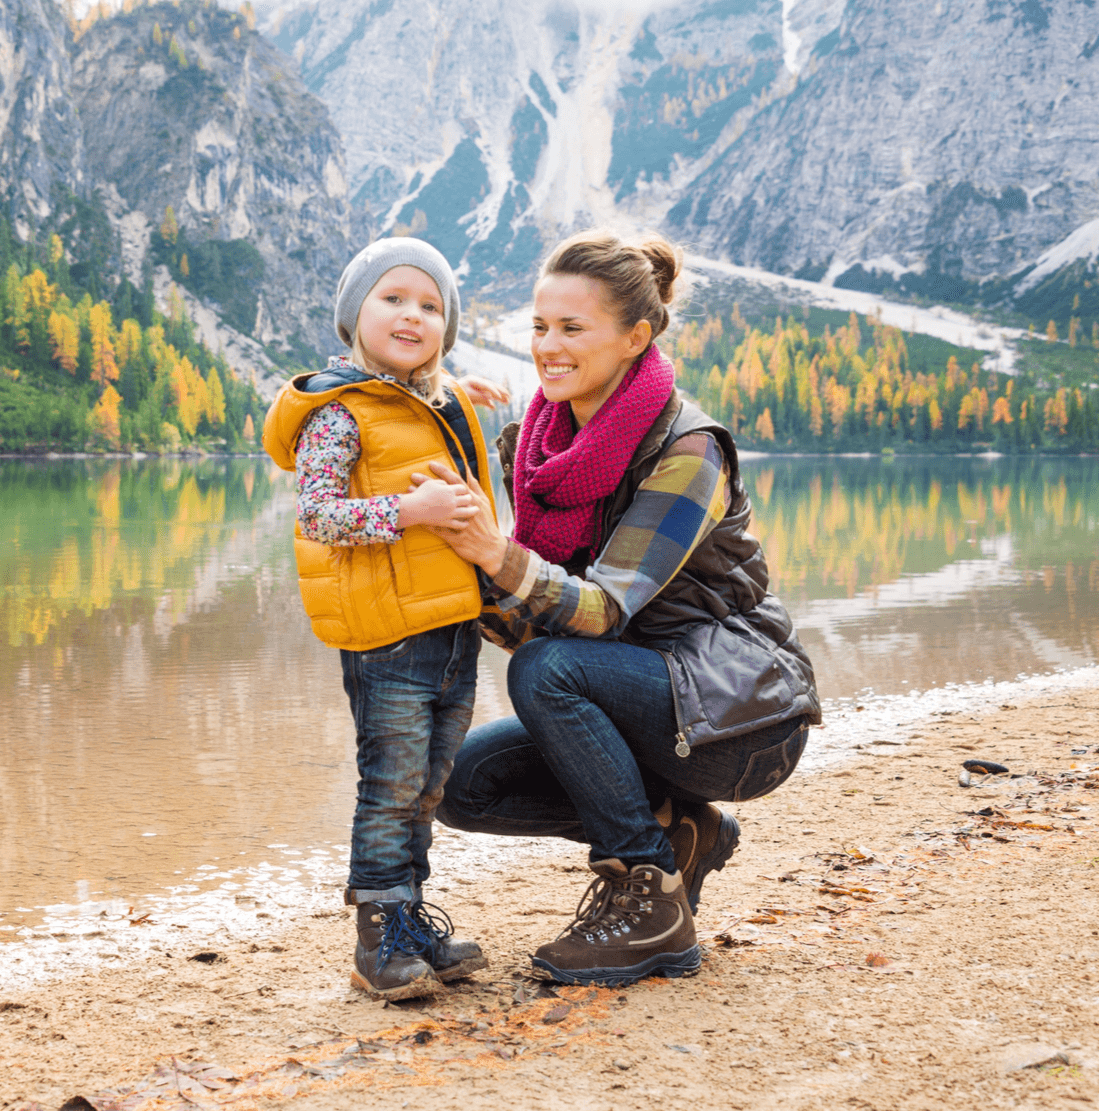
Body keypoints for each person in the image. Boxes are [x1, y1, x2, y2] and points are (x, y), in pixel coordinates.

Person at [426, 230, 821, 988]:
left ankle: (648, 900)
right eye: (540, 326)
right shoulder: (538, 449)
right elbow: (543, 614)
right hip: (649, 700)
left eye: (573, 328)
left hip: (743, 719)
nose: (549, 346)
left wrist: (492, 555)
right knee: (464, 784)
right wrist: (458, 571)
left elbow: (600, 613)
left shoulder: (688, 451)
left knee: (549, 670)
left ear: (636, 337)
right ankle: (679, 835)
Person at [262, 237, 509, 1000]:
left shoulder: (431, 400)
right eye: (393, 299)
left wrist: (468, 402)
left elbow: (435, 439)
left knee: (429, 782)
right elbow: (321, 515)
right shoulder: (337, 414)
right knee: (391, 783)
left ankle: (410, 919)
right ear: (354, 315)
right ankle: (378, 935)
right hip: (388, 638)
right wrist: (415, 509)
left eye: (431, 307)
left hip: (450, 629)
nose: (412, 315)